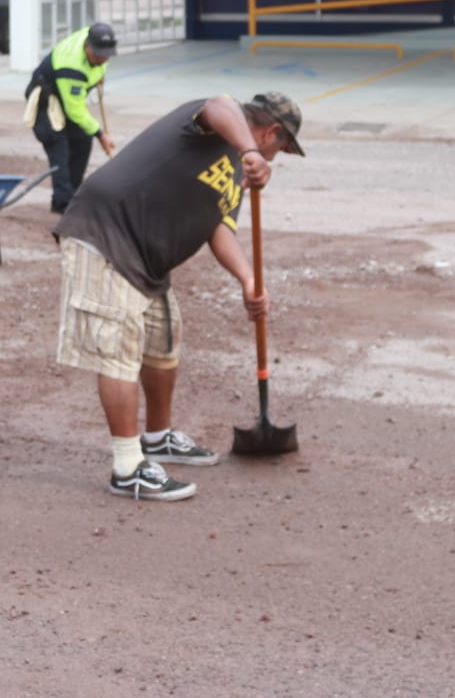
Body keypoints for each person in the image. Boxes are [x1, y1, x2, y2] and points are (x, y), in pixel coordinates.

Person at [53, 92, 305, 502]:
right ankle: (127, 467)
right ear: (271, 132)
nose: (277, 159)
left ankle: (158, 437)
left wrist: (248, 280)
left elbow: (218, 227)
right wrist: (249, 150)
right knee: (120, 348)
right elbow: (219, 103)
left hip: (148, 258)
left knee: (162, 342)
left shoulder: (239, 168)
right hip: (106, 233)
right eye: (282, 149)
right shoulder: (218, 123)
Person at [24, 23, 118, 213]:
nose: (103, 58)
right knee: (59, 149)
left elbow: (98, 65)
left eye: (106, 54)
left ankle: (74, 197)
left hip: (66, 96)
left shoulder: (93, 40)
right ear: (87, 46)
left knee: (82, 141)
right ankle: (63, 204)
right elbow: (75, 110)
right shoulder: (71, 68)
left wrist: (98, 74)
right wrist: (101, 135)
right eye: (98, 55)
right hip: (46, 99)